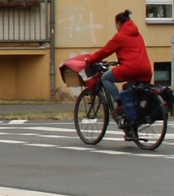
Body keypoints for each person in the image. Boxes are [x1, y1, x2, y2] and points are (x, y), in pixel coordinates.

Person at [64, 10, 153, 140]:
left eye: (115, 24)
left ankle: (118, 100)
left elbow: (105, 51)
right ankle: (131, 128)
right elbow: (132, 53)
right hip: (145, 70)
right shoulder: (138, 35)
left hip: (130, 69)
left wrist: (89, 60)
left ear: (119, 23)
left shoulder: (120, 36)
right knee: (129, 91)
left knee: (105, 78)